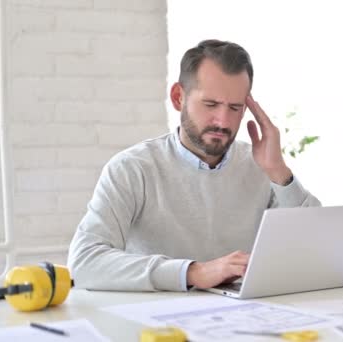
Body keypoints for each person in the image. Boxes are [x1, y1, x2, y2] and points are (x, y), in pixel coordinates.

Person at [67, 39, 321, 292]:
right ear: (179, 97)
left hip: (243, 319)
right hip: (157, 323)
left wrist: (278, 173)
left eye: (235, 107)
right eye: (210, 104)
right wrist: (192, 272)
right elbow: (85, 261)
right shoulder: (133, 168)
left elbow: (319, 249)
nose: (223, 121)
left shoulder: (261, 166)